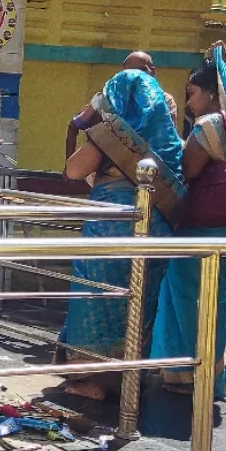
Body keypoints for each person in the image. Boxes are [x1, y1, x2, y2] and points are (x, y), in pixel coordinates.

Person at [150, 47, 226, 398]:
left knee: (191, 298)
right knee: (221, 299)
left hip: (204, 227)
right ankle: (215, 374)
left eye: (192, 94)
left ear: (210, 93)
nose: (189, 102)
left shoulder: (210, 125)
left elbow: (188, 171)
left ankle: (193, 373)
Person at [56, 68, 186, 400]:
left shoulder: (113, 136)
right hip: (156, 234)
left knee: (98, 301)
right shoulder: (170, 142)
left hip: (112, 234)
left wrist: (90, 135)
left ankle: (93, 380)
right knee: (141, 302)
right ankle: (131, 377)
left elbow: (73, 170)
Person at [64, 51, 176, 159]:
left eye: (145, 69)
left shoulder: (165, 101)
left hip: (145, 171)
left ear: (153, 71)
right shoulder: (107, 98)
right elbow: (73, 126)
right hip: (107, 173)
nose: (139, 75)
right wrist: (68, 168)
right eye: (134, 71)